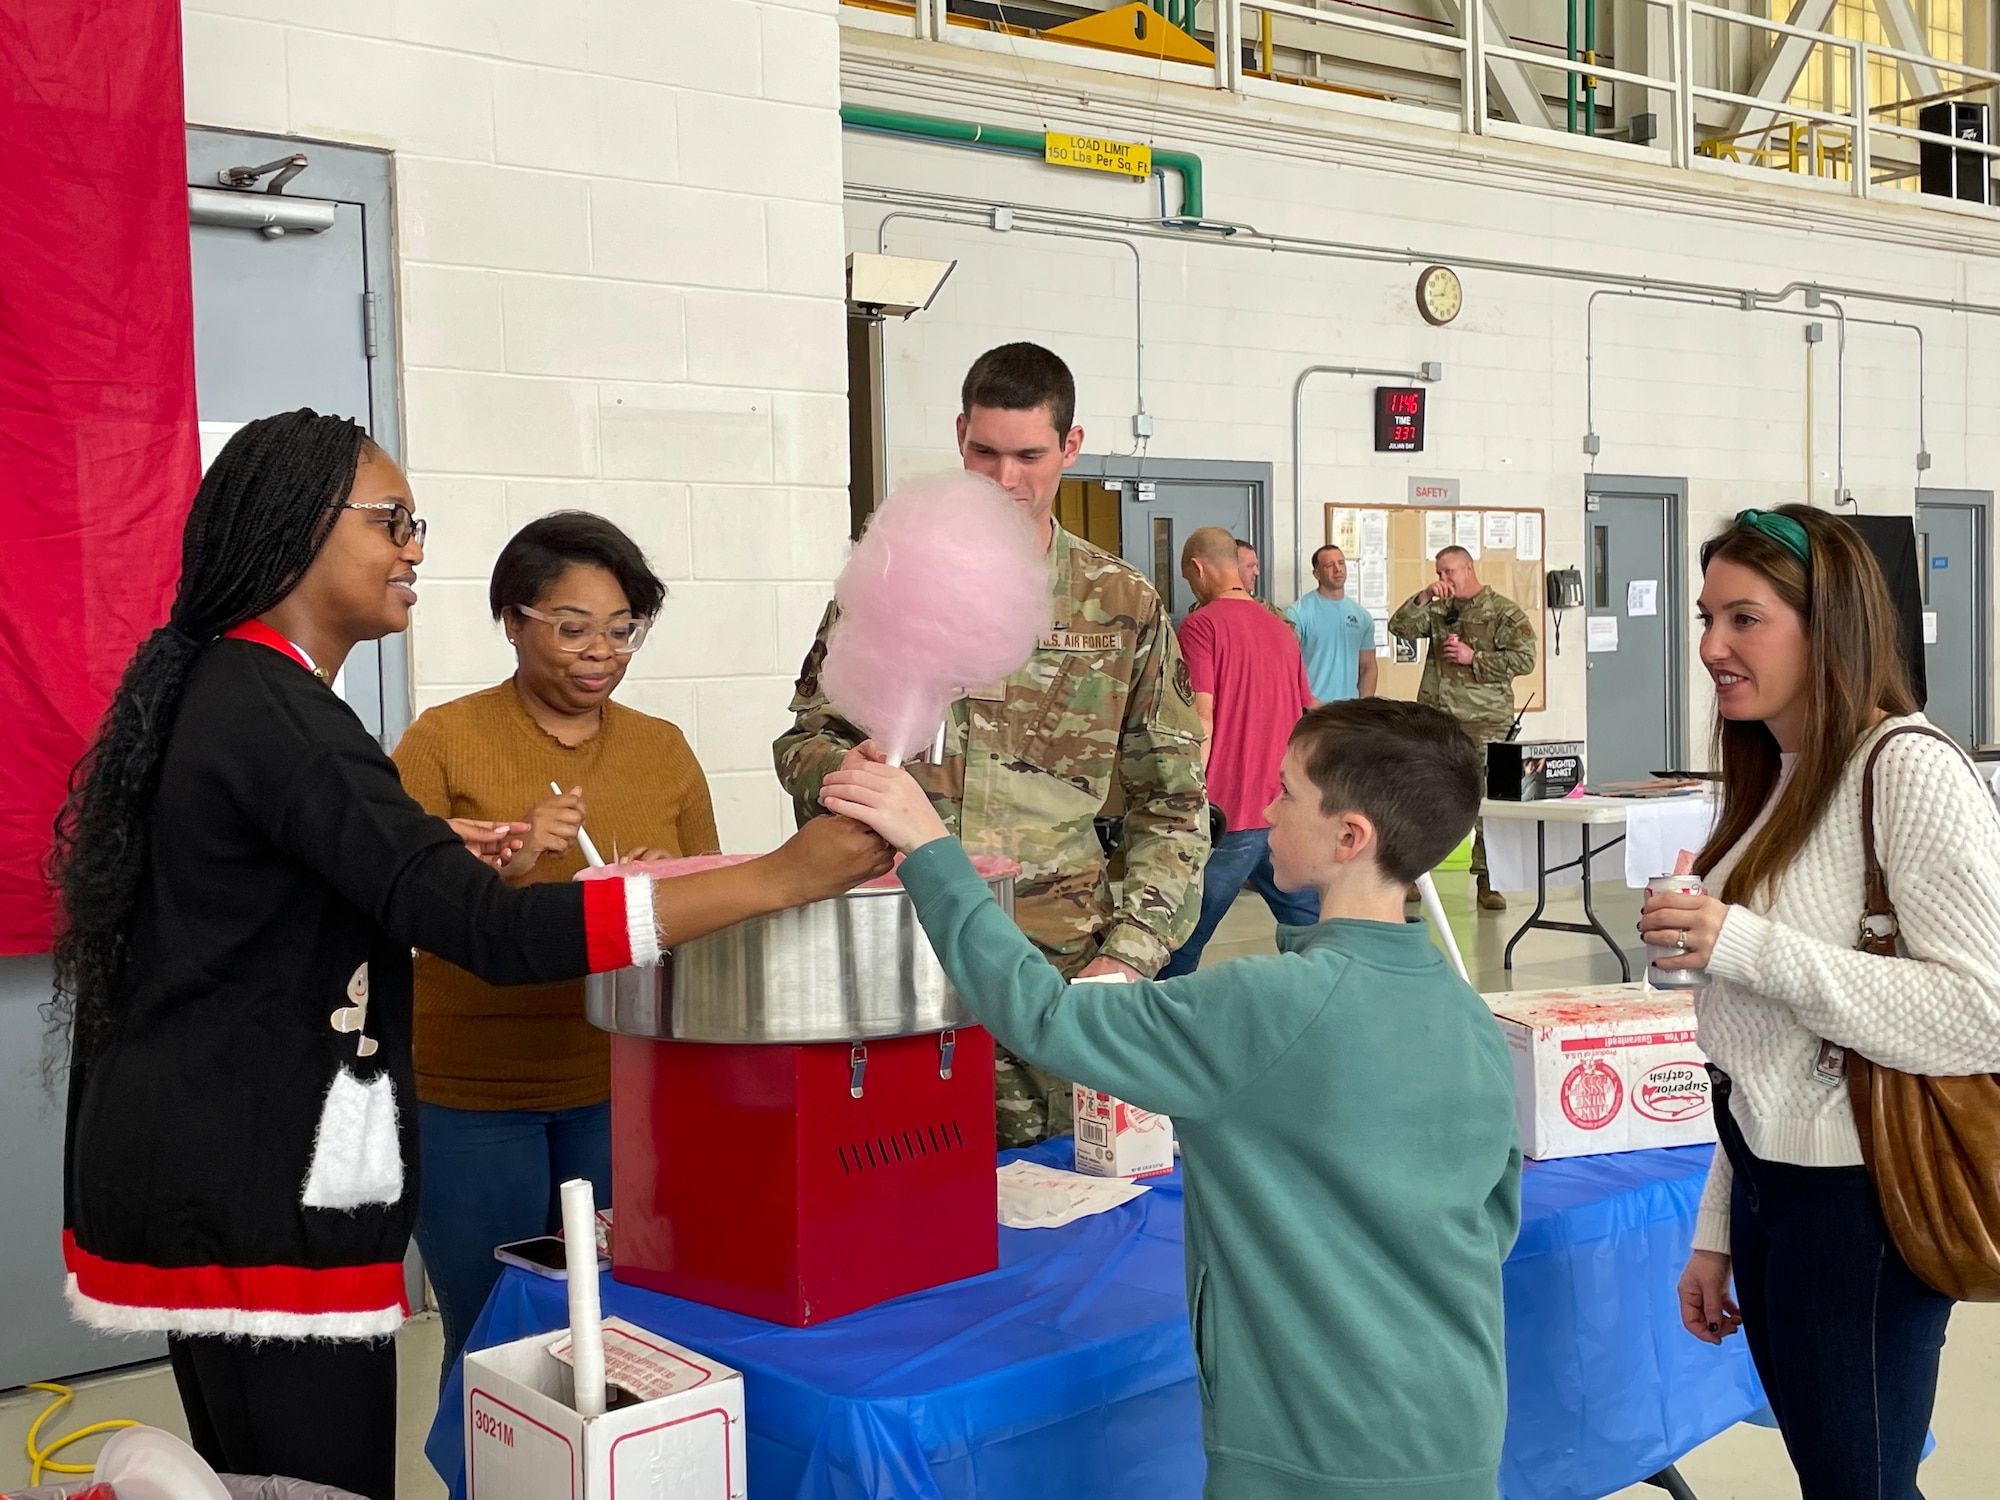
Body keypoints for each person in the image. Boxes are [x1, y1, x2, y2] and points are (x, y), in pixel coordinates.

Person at [48, 411, 891, 1500]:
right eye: (391, 521)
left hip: (207, 1166)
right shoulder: (280, 710)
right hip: (254, 1186)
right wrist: (788, 874)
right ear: (300, 528)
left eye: (416, 522)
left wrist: (432, 845)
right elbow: (495, 938)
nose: (414, 548)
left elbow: (274, 869)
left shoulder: (236, 691)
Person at [822, 697, 1521, 1500]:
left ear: (1349, 835)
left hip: (1308, 1452)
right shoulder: (1468, 1012)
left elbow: (1040, 1014)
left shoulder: (1267, 1006)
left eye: (1287, 793)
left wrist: (929, 846)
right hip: (1459, 1431)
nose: (1264, 810)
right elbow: (1491, 1221)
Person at [1642, 505, 2000, 1500]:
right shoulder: (1776, 777)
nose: (1710, 647)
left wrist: (1741, 942)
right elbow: (1756, 1057)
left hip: (1863, 1206)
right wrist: (1718, 1223)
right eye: (1706, 618)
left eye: (1742, 619)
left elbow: (1981, 1011)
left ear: (1825, 623)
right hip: (1774, 1194)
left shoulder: (1907, 770)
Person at [775, 341, 1209, 1146]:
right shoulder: (892, 582)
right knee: (897, 1202)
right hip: (898, 964)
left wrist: (1128, 958)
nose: (1004, 479)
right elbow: (804, 739)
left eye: (1029, 456)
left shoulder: (1120, 604)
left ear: (1070, 448)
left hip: (1052, 978)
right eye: (984, 452)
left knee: (1059, 1224)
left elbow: (1176, 803)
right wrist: (845, 771)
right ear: (959, 437)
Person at [392, 512, 718, 1380]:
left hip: (620, 1086)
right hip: (471, 1094)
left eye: (622, 631)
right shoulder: (442, 740)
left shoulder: (662, 748)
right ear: (513, 619)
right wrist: (512, 866)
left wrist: (664, 892)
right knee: (492, 1339)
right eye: (573, 629)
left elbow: (712, 905)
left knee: (616, 1331)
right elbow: (396, 910)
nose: (599, 653)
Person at [1159, 527, 1317, 978]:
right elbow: (1304, 706)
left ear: (1198, 568)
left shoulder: (1202, 624)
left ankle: (1161, 1031)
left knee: (1181, 935)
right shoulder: (1281, 628)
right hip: (1283, 807)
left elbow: (1201, 718)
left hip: (1229, 811)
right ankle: (1331, 1004)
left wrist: (1186, 799)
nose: (1192, 589)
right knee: (1310, 928)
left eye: (1190, 581)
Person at [1387, 545, 1535, 911]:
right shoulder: (1438, 609)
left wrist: (1475, 657)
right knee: (1424, 795)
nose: (1443, 580)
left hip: (1486, 722)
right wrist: (1423, 595)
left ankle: (1487, 879)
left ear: (1468, 569)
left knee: (1488, 800)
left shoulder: (1503, 611)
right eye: (1438, 573)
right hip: (1438, 721)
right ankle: (1414, 875)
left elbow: (1526, 659)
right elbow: (1399, 627)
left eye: (1448, 572)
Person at [1287, 543, 1378, 702]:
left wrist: (1363, 707)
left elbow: (1367, 667)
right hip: (1314, 712)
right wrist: (1308, 701)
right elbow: (1286, 667)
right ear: (1317, 574)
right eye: (1329, 565)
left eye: (1341, 563)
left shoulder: (1362, 616)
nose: (1338, 569)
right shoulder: (1298, 613)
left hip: (1348, 712)